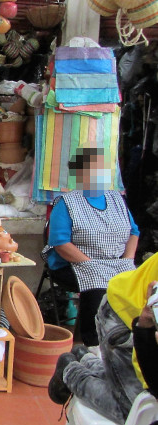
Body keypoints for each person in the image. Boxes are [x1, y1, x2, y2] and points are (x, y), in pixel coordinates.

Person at [42, 147, 139, 346]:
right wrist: (91, 263)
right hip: (74, 262)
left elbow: (133, 232)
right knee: (99, 283)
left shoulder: (116, 199)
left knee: (134, 282)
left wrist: (127, 260)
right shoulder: (67, 202)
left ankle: (126, 339)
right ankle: (92, 343)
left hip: (115, 261)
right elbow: (60, 243)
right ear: (80, 174)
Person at [48, 253, 158, 423]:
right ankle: (70, 372)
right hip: (124, 316)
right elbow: (147, 369)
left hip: (132, 310)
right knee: (130, 407)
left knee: (131, 391)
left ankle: (85, 358)